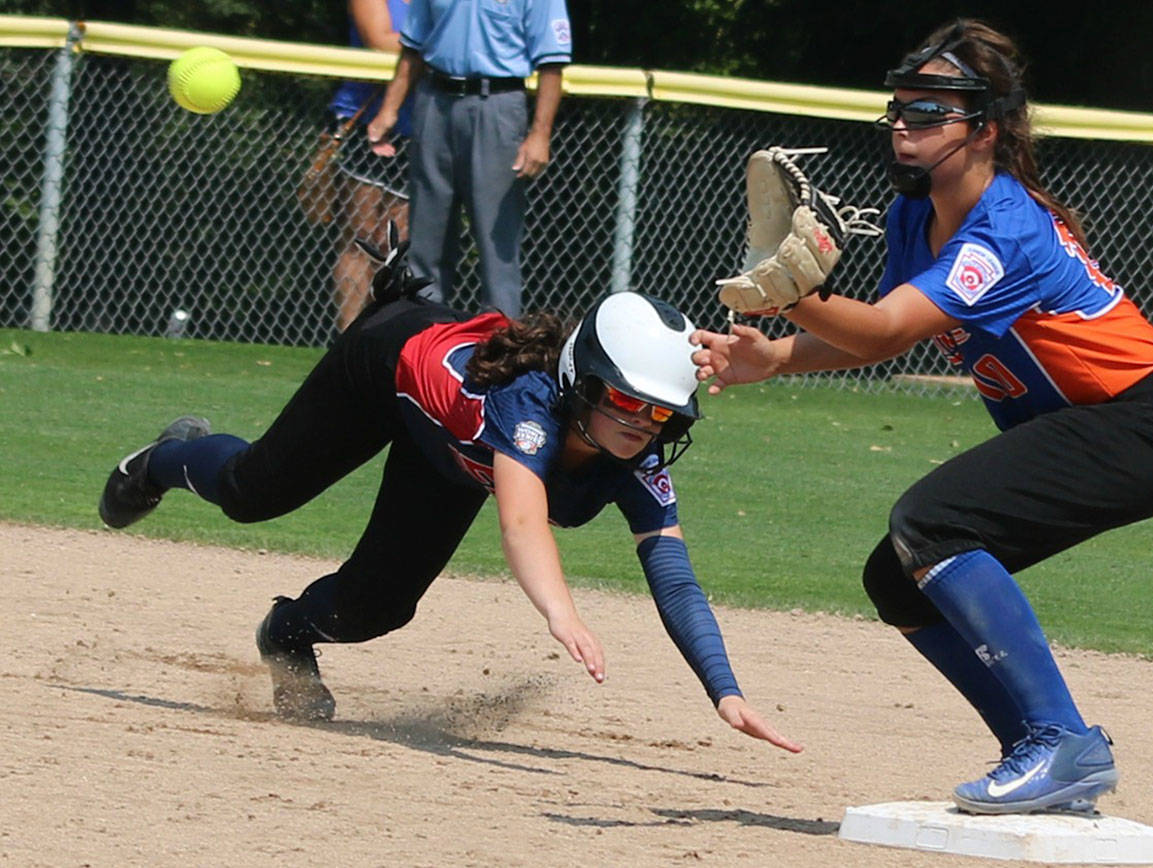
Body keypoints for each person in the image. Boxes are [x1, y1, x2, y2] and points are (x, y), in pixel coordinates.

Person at [692, 19, 1153, 814]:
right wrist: (775, 357)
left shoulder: (1006, 226)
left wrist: (795, 294)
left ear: (986, 128)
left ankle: (1059, 739)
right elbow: (885, 331)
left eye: (930, 114)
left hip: (1136, 424)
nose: (905, 127)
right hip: (1091, 428)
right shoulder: (913, 217)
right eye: (900, 111)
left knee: (931, 523)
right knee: (898, 579)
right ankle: (1050, 753)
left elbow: (888, 327)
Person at [95, 265, 802, 754]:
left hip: (452, 456)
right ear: (578, 384)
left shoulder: (634, 456)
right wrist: (562, 613)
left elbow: (673, 573)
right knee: (253, 494)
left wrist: (725, 690)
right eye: (622, 399)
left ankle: (284, 634)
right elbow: (521, 522)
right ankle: (163, 457)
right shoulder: (528, 408)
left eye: (659, 412)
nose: (639, 423)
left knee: (375, 609)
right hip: (386, 365)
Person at [364, 0, 570, 318]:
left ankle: (500, 348)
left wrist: (540, 134)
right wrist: (389, 110)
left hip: (498, 104)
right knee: (426, 242)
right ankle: (422, 338)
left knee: (496, 243)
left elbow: (551, 64)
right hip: (435, 100)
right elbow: (412, 49)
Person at [327, 0, 415, 331]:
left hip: (416, 125)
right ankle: (347, 339)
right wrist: (439, 44)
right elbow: (379, 40)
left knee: (392, 247)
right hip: (366, 121)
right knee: (359, 238)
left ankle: (375, 339)